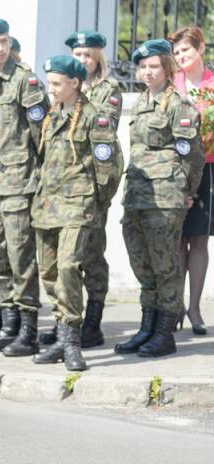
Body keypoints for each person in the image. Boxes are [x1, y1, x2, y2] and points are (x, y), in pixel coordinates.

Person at [31, 56, 123, 371]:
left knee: (69, 267)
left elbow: (110, 166)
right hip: (47, 206)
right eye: (50, 83)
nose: (51, 89)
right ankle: (61, 334)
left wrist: (97, 203)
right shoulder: (52, 115)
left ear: (74, 83)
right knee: (49, 272)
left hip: (78, 206)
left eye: (57, 84)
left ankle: (72, 341)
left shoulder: (94, 118)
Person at [115, 40, 204, 357]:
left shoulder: (179, 105)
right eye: (142, 67)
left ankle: (164, 333)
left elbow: (192, 155)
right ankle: (147, 327)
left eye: (153, 66)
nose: (147, 72)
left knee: (165, 266)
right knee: (143, 264)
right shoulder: (141, 102)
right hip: (137, 196)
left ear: (167, 69)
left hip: (165, 198)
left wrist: (186, 191)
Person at [0, 19, 49, 357]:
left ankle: (28, 330)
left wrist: (41, 177)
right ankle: (8, 323)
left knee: (21, 257)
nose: (0, 48)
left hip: (19, 183)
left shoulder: (24, 81)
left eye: (4, 41)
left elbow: (42, 133)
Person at [170, 25, 213, 336]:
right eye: (176, 52)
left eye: (185, 49)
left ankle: (195, 307)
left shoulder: (212, 84)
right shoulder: (172, 85)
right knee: (176, 238)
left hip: (208, 168)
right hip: (175, 169)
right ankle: (174, 305)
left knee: (198, 238)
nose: (180, 56)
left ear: (201, 49)